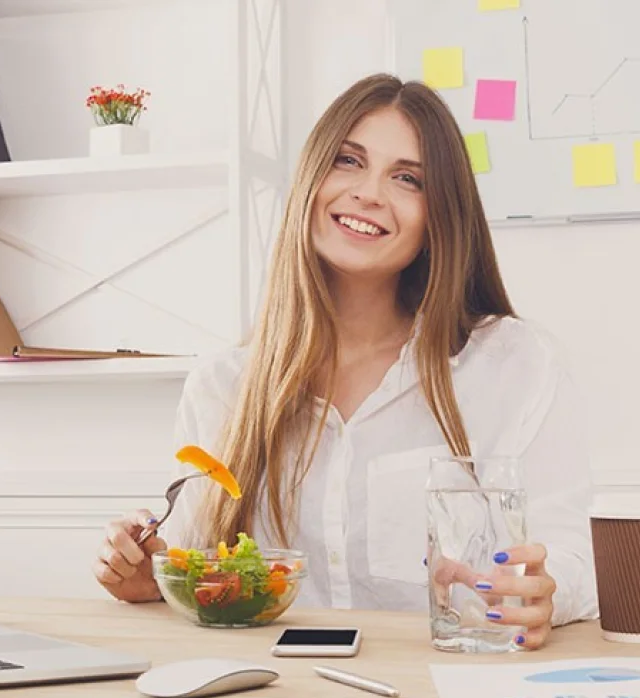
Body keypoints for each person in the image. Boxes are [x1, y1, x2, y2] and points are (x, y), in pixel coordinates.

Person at [92, 73, 599, 649]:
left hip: (444, 697)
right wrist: (146, 573)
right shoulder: (223, 385)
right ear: (311, 180)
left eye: (406, 178)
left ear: (440, 218)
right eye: (348, 162)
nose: (369, 193)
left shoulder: (515, 365)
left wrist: (544, 589)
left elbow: (573, 557)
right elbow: (194, 563)